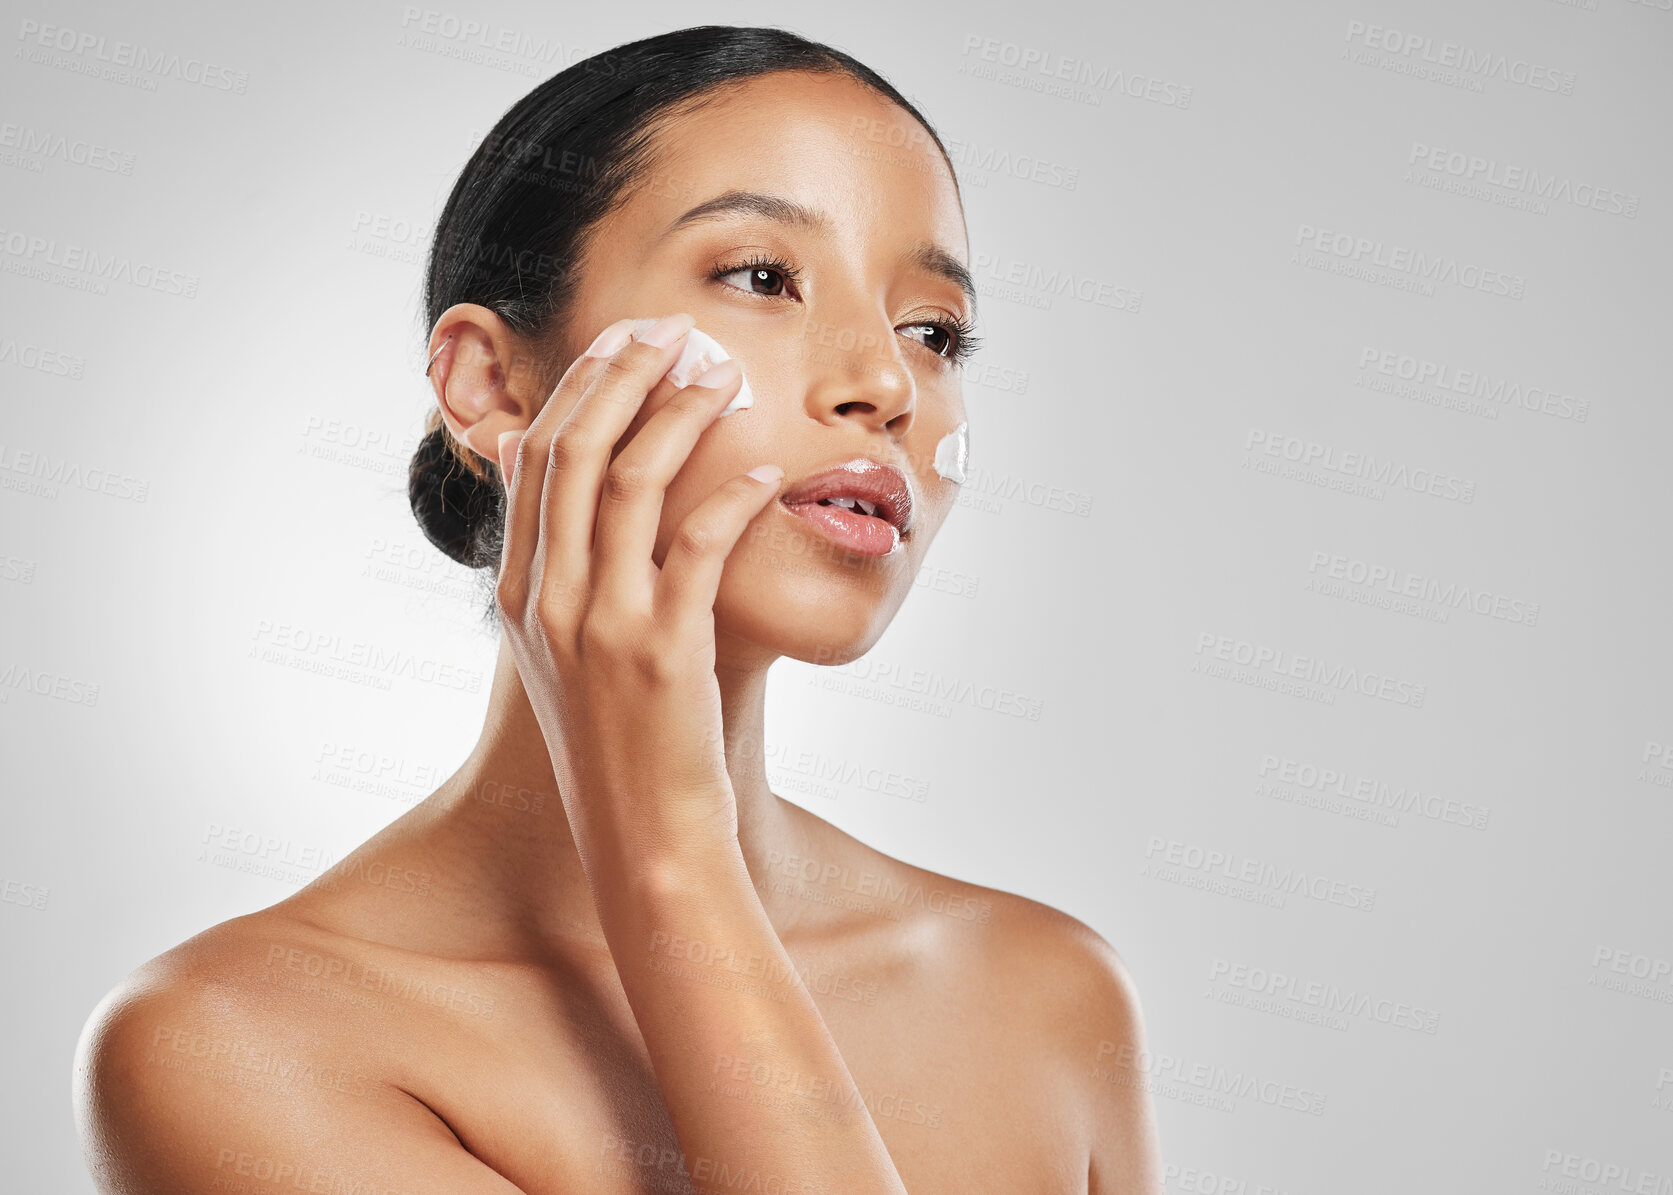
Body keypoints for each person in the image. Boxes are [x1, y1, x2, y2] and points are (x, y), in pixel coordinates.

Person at [72, 25, 1162, 1194]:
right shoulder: (231, 1047)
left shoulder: (1044, 996)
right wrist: (668, 857)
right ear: (490, 384)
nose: (888, 386)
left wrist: (675, 853)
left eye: (932, 331)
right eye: (761, 277)